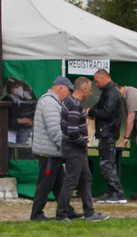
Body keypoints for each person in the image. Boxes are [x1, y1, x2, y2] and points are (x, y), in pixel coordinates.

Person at [56, 77, 108, 222]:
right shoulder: (75, 105)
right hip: (74, 148)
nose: (90, 94)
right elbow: (72, 131)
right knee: (71, 181)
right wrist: (83, 141)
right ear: (83, 89)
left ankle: (89, 213)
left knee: (86, 179)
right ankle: (61, 215)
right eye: (89, 90)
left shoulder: (69, 101)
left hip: (73, 148)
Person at [29, 76, 70, 221]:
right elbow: (54, 130)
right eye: (68, 91)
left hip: (52, 152)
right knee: (45, 185)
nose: (69, 94)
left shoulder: (49, 101)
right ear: (60, 88)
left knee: (59, 184)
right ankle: (36, 213)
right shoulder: (50, 103)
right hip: (49, 153)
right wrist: (66, 148)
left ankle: (66, 210)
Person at [88, 69, 125, 203]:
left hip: (108, 132)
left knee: (106, 163)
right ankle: (111, 191)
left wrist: (91, 111)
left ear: (104, 78)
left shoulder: (112, 92)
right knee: (107, 163)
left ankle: (118, 192)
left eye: (97, 81)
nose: (96, 84)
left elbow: (106, 112)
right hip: (107, 131)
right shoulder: (110, 91)